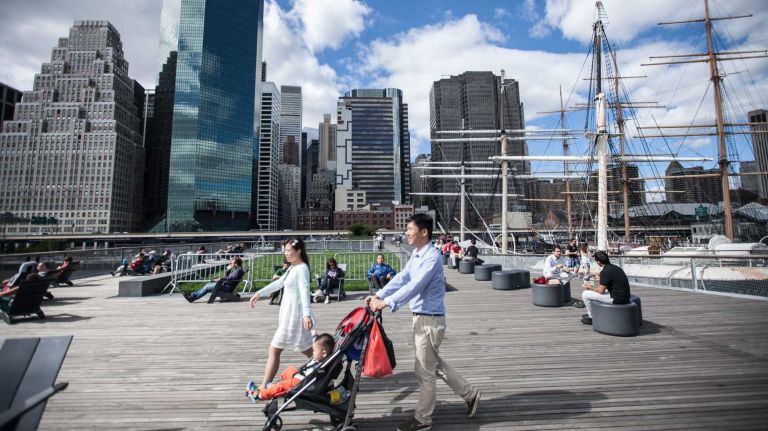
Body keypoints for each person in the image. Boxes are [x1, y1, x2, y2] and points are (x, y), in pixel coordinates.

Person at [366, 213, 481, 431]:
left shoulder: (431, 257)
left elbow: (415, 286)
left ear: (424, 232)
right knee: (434, 364)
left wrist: (387, 302)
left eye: (410, 229)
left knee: (424, 372)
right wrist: (379, 294)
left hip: (430, 320)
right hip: (422, 318)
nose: (406, 233)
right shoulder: (417, 255)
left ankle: (423, 419)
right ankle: (470, 394)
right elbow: (402, 278)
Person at [250, 238, 315, 392]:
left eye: (288, 250)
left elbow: (305, 292)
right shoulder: (293, 268)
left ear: (298, 251)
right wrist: (260, 293)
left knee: (275, 349)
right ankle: (326, 371)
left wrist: (306, 315)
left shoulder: (301, 268)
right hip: (289, 314)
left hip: (295, 315)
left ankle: (264, 385)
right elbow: (280, 283)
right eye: (285, 250)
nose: (286, 253)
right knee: (309, 351)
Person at [245, 333, 335, 402]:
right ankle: (276, 387)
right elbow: (317, 342)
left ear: (324, 353)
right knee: (289, 370)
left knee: (281, 386)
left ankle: (259, 395)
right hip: (301, 377)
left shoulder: (322, 365)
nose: (313, 352)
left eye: (314, 351)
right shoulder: (322, 358)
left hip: (302, 383)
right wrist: (314, 333)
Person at [580, 251, 631, 325]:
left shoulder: (605, 271)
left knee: (585, 294)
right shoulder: (616, 268)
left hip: (617, 299)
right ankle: (594, 313)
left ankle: (592, 317)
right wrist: (600, 276)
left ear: (598, 262)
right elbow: (611, 280)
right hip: (625, 296)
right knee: (603, 290)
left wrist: (590, 287)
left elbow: (601, 291)